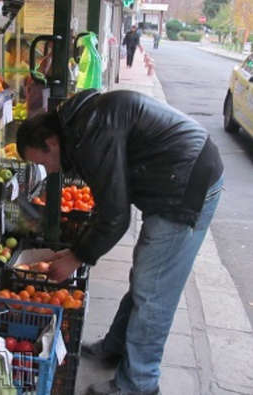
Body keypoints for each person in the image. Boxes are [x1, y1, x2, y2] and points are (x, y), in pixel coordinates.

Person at [16, 89, 224, 395]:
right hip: (175, 177)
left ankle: (139, 383)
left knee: (153, 292)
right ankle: (116, 347)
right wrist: (77, 248)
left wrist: (77, 257)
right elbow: (107, 198)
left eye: (44, 162)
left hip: (186, 185)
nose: (49, 170)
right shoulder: (81, 126)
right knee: (144, 277)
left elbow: (116, 216)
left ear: (51, 143)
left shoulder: (90, 135)